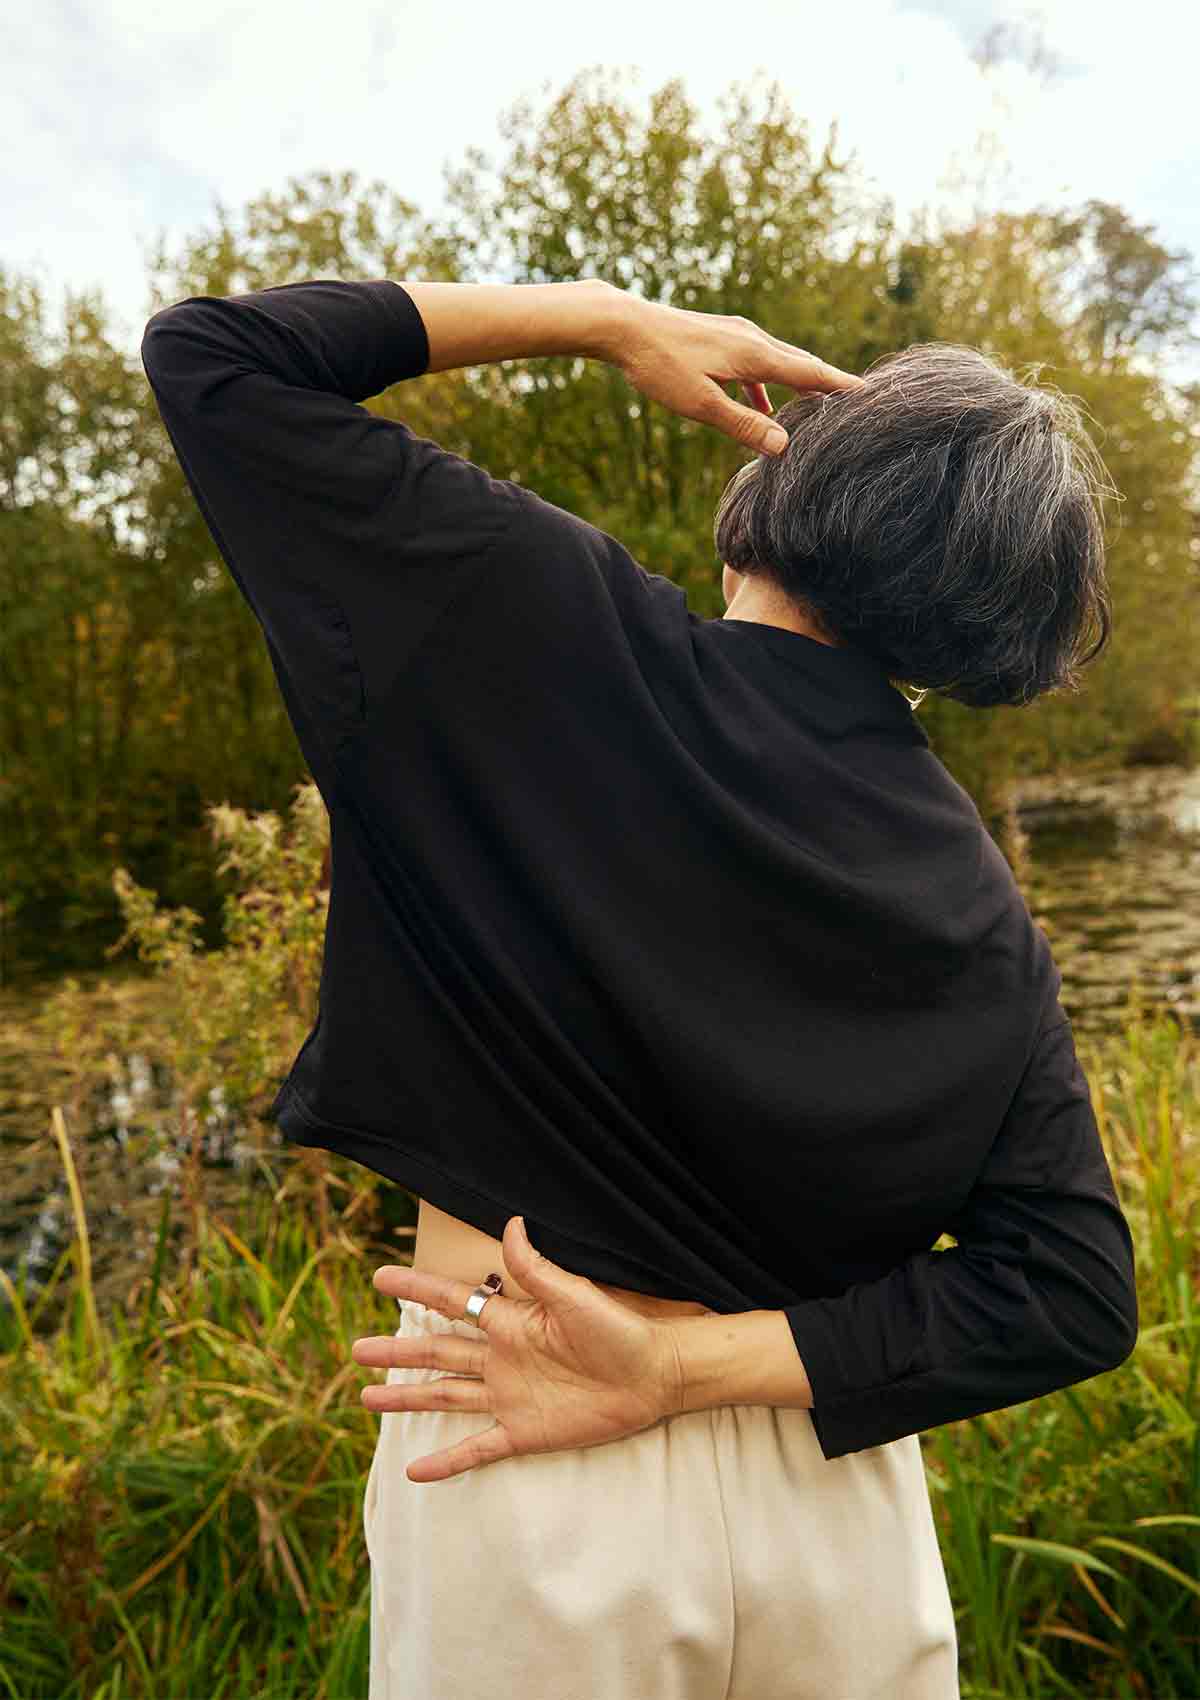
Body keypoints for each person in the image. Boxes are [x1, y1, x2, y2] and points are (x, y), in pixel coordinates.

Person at [141, 275, 1137, 1700]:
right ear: (996, 632)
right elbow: (1073, 1293)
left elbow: (217, 354)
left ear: (786, 480)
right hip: (838, 1522)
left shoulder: (528, 622)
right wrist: (686, 1374)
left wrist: (607, 318)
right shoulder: (979, 903)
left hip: (525, 1453)